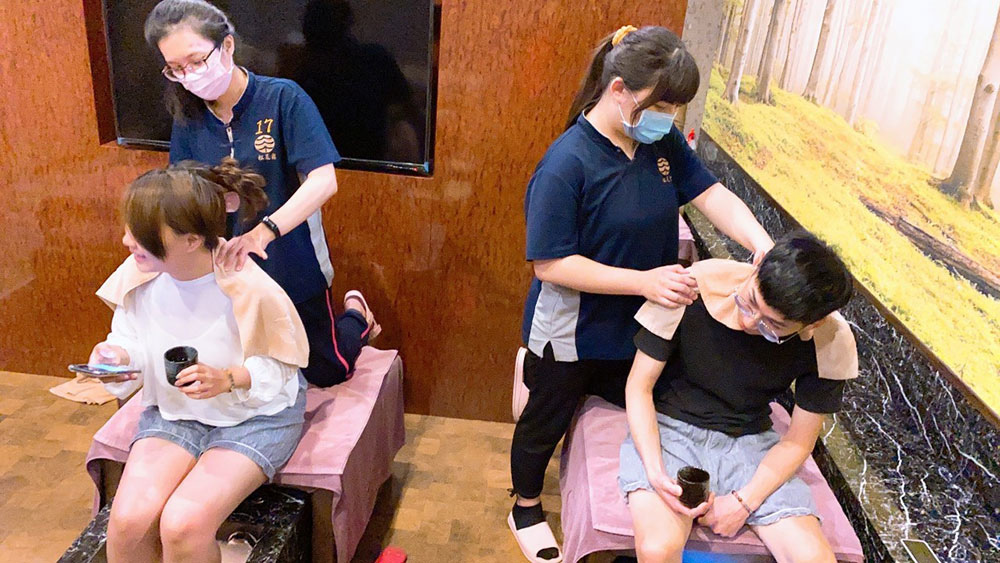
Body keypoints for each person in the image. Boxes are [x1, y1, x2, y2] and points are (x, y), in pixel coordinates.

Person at [509, 25, 775, 563]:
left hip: (640, 323)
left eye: (677, 107)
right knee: (546, 418)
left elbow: (711, 194)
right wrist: (644, 281)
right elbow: (551, 264)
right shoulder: (566, 163)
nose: (671, 117)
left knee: (651, 400)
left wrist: (761, 244)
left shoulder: (660, 143)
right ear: (618, 90)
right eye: (664, 105)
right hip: (573, 327)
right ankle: (525, 507)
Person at [144, 0, 378, 388]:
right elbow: (182, 191)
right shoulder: (188, 116)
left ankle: (356, 317)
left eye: (196, 61)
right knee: (247, 361)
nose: (189, 76)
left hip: (291, 257)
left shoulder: (283, 98)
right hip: (228, 267)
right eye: (176, 69)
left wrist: (263, 231)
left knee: (327, 371)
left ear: (227, 46)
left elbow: (324, 181)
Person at [91, 159, 312, 562]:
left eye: (141, 233)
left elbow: (282, 369)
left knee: (184, 525)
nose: (127, 241)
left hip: (255, 417)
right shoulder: (140, 275)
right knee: (127, 523)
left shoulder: (248, 286)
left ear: (192, 240)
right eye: (129, 228)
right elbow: (130, 341)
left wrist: (228, 379)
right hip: (176, 411)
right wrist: (116, 358)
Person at [620, 231, 857, 563]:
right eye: (750, 301)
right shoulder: (694, 288)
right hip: (670, 429)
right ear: (757, 265)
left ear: (813, 324)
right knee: (658, 549)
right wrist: (656, 472)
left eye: (773, 325)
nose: (749, 321)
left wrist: (745, 502)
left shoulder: (829, 340)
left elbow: (798, 442)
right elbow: (639, 387)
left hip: (751, 443)